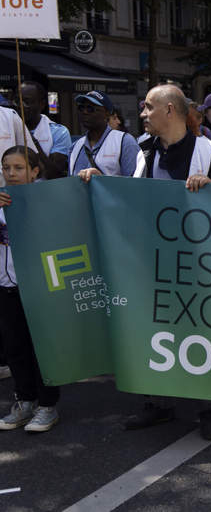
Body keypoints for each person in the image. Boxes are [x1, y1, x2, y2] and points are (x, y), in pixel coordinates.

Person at [79, 85, 211, 439]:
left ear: (170, 111)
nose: (142, 113)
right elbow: (131, 201)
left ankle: (206, 407)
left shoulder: (207, 151)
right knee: (156, 333)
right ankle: (158, 403)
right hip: (153, 263)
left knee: (197, 334)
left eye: (148, 107)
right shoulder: (145, 153)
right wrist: (104, 184)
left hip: (196, 265)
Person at [0, 146, 61, 432]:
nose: (11, 174)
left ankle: (47, 406)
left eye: (19, 168)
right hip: (6, 287)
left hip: (38, 288)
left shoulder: (46, 200)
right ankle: (24, 401)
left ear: (35, 172)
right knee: (15, 348)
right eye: (6, 168)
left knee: (42, 350)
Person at [69, 90, 139, 177]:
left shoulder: (125, 142)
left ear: (107, 113)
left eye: (90, 108)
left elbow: (135, 185)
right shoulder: (75, 147)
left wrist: (102, 180)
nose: (85, 112)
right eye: (81, 108)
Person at [20, 81, 70, 179]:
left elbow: (54, 173)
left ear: (42, 104)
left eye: (26, 101)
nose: (20, 106)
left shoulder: (59, 132)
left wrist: (31, 140)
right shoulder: (6, 128)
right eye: (17, 101)